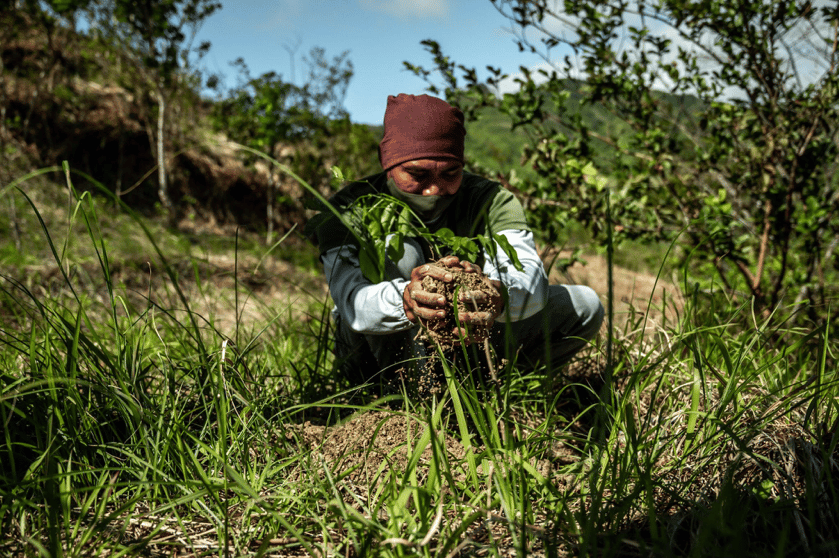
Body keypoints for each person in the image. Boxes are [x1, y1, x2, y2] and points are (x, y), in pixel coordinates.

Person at [308, 93, 604, 387]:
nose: (433, 189)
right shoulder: (346, 209)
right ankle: (409, 392)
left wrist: (498, 294)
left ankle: (494, 387)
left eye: (451, 173)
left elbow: (527, 273)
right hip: (375, 353)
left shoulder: (490, 200)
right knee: (403, 254)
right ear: (387, 163)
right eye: (417, 174)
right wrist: (406, 300)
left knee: (585, 305)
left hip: (471, 341)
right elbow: (351, 301)